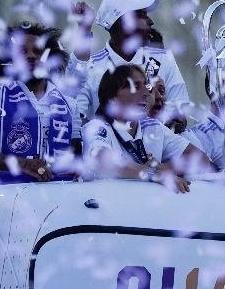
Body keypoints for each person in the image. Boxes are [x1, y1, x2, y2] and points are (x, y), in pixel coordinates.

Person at [0, 23, 82, 184]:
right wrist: (22, 164)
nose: (31, 56)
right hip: (9, 201)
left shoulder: (69, 105)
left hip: (58, 198)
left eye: (38, 51)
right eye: (22, 51)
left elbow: (76, 156)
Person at [82, 65, 211, 193]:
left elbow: (201, 159)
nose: (146, 93)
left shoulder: (153, 127)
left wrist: (162, 168)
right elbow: (101, 158)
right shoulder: (97, 127)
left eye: (146, 86)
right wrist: (152, 173)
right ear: (112, 97)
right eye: (136, 87)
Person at [76, 0, 189, 121]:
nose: (150, 22)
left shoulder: (164, 59)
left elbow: (180, 115)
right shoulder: (91, 66)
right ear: (123, 23)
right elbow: (77, 118)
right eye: (142, 15)